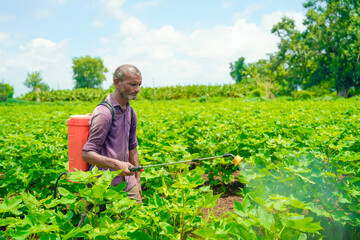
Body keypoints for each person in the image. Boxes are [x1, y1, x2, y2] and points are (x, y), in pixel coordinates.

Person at [78, 64, 142, 226]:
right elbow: (87, 153)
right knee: (88, 230)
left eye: (139, 85)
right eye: (133, 84)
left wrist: (138, 180)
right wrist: (118, 164)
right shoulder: (104, 113)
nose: (137, 89)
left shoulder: (130, 111)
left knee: (139, 224)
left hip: (127, 182)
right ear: (117, 82)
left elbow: (132, 147)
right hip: (101, 183)